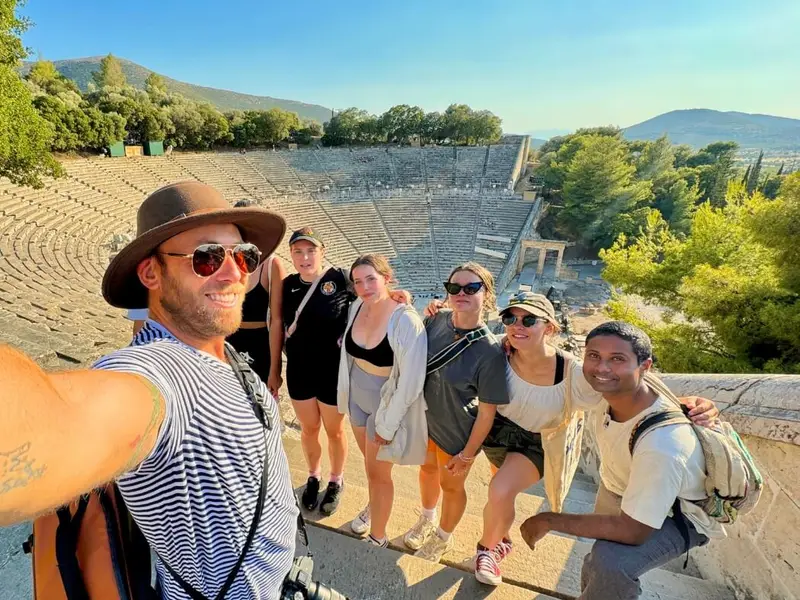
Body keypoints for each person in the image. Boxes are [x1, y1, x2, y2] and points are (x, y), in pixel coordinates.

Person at [0, 181, 298, 600]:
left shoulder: (219, 347)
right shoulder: (159, 372)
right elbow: (62, 421)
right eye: (207, 258)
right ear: (151, 272)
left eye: (244, 257)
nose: (234, 273)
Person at [455, 292, 721, 586]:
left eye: (529, 319)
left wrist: (690, 403)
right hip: (497, 433)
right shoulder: (498, 353)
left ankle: (487, 550)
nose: (518, 325)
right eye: (510, 318)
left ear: (550, 328)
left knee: (500, 490)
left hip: (538, 441)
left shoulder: (576, 373)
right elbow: (460, 335)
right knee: (500, 496)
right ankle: (501, 537)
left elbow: (628, 390)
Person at [520, 321, 725, 600]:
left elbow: (633, 532)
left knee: (611, 562)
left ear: (645, 366)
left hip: (680, 515)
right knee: (597, 559)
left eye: (617, 359)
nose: (602, 368)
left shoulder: (662, 446)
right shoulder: (612, 389)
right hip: (623, 486)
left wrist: (548, 520)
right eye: (594, 356)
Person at [402, 262, 509, 563]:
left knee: (452, 486)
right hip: (425, 419)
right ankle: (427, 518)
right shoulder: (438, 321)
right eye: (454, 288)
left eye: (471, 288)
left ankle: (442, 538)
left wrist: (468, 454)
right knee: (426, 471)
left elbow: (487, 413)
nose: (461, 293)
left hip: (456, 431)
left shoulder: (489, 351)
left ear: (486, 294)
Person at [336, 254, 428, 548]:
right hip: (357, 398)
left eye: (371, 279)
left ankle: (378, 538)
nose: (364, 287)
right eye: (358, 282)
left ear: (387, 279)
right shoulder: (355, 307)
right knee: (369, 466)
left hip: (383, 403)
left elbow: (411, 382)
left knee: (379, 474)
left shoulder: (406, 319)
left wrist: (388, 426)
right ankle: (373, 506)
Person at [227, 199, 288, 398]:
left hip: (260, 346)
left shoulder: (271, 265)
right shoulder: (224, 260)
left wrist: (275, 370)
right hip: (226, 342)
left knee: (261, 406)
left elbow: (277, 320)